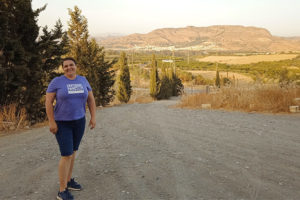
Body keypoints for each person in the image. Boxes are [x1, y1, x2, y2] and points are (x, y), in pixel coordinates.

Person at [45, 57, 96, 200]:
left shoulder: (83, 80)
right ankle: (62, 190)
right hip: (62, 123)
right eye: (66, 66)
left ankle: (68, 181)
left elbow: (91, 99)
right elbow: (48, 102)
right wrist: (51, 122)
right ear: (63, 68)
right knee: (66, 154)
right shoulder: (57, 81)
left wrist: (93, 117)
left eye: (71, 65)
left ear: (76, 66)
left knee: (73, 152)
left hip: (79, 121)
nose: (69, 68)